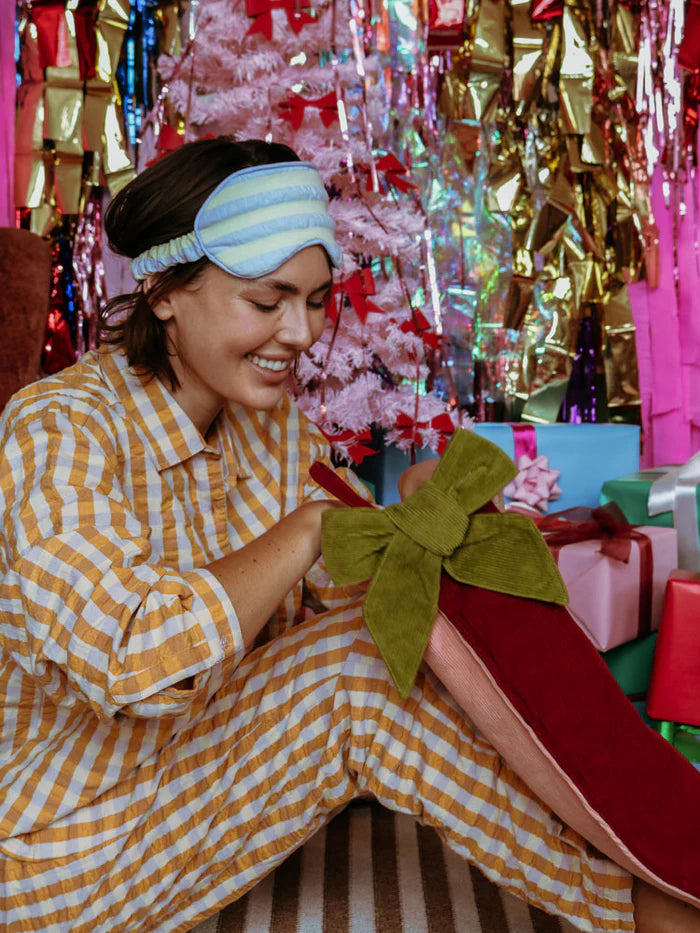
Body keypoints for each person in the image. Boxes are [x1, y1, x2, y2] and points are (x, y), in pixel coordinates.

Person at [0, 136, 696, 933]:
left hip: (183, 780)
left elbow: (362, 601)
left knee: (388, 644)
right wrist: (306, 531)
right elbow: (130, 663)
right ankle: (643, 909)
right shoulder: (56, 429)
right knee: (355, 676)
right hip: (48, 850)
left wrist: (426, 513)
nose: (299, 333)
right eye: (268, 301)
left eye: (316, 300)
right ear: (163, 292)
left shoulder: (269, 428)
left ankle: (654, 852)